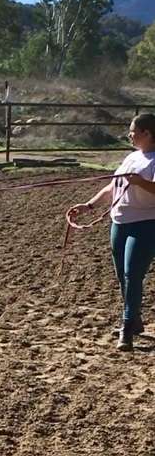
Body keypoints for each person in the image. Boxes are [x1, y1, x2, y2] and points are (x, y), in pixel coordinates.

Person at [67, 113, 155, 351]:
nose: (130, 134)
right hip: (120, 221)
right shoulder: (131, 157)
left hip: (145, 222)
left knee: (132, 274)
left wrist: (140, 182)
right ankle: (134, 319)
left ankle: (127, 328)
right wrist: (89, 205)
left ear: (146, 133)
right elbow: (112, 185)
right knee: (122, 275)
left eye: (133, 131)